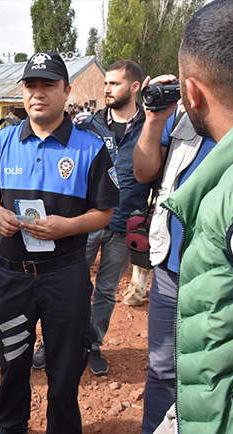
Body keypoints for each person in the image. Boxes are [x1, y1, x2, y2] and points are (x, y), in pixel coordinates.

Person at [0, 51, 119, 434]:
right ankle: (12, 426)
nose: (37, 94)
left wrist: (67, 226)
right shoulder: (3, 140)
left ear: (67, 91)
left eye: (48, 85)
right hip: (11, 277)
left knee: (64, 366)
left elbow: (104, 212)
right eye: (30, 86)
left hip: (65, 277)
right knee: (12, 362)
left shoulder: (90, 148)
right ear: (22, 92)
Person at [145, 1, 233, 432]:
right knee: (169, 368)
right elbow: (145, 171)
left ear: (193, 91)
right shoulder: (174, 123)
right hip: (176, 266)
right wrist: (154, 120)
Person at [81, 60, 148, 375]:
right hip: (88, 221)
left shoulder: (153, 126)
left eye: (114, 84)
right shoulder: (89, 125)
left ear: (134, 87)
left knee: (106, 290)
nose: (106, 89)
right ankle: (54, 343)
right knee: (71, 283)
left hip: (125, 225)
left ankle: (93, 344)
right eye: (105, 83)